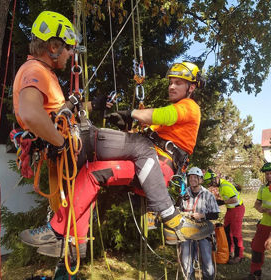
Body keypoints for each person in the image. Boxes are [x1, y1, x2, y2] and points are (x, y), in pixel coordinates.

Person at [13, 10, 205, 258]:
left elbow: (158, 116)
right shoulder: (36, 71)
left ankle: (168, 221)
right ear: (52, 47)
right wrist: (126, 123)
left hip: (160, 167)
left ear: (191, 87)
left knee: (124, 154)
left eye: (178, 82)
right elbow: (147, 129)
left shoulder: (189, 107)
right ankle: (75, 240)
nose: (171, 86)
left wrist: (124, 112)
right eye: (171, 81)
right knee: (103, 167)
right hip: (138, 163)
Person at [178, 167, 219, 280]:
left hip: (204, 230)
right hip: (187, 230)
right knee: (186, 262)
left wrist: (202, 215)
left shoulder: (208, 195)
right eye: (191, 177)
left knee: (207, 262)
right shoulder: (184, 193)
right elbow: (178, 209)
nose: (193, 180)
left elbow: (215, 214)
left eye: (195, 177)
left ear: (200, 179)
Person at [203, 170, 245, 264]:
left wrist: (222, 202)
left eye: (211, 183)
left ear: (215, 179)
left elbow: (234, 199)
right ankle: (229, 252)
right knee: (226, 231)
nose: (211, 185)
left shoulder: (225, 186)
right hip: (230, 210)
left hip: (237, 209)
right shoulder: (221, 186)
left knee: (236, 234)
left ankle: (239, 256)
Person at [243, 162, 271, 280]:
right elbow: (257, 203)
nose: (269, 176)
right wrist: (261, 209)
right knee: (256, 248)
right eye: (267, 174)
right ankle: (255, 274)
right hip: (265, 223)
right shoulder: (263, 188)